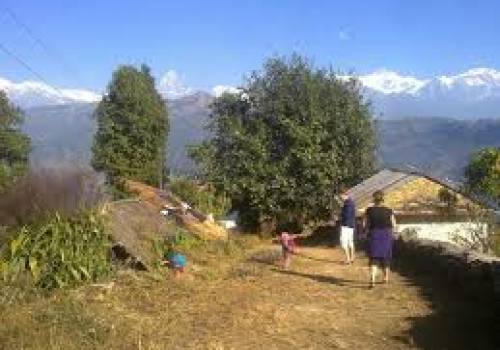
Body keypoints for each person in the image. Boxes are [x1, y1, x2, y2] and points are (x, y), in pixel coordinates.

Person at [364, 190, 397, 288]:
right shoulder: (389, 210)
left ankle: (373, 279)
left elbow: (364, 224)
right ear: (383, 198)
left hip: (374, 234)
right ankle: (386, 277)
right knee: (385, 256)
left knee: (374, 258)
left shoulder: (369, 210)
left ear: (373, 199)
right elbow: (394, 224)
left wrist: (366, 232)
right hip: (386, 235)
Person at [339, 188, 356, 265]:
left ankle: (348, 258)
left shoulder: (347, 203)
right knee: (350, 241)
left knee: (343, 242)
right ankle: (352, 257)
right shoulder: (351, 202)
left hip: (346, 225)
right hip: (351, 224)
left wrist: (341, 216)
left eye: (341, 196)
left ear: (344, 195)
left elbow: (347, 215)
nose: (341, 198)